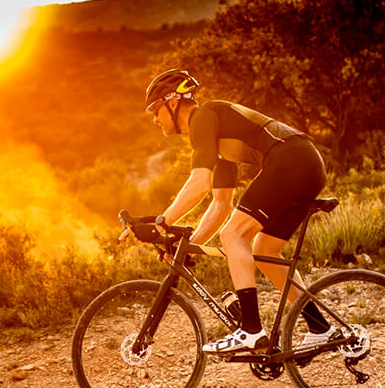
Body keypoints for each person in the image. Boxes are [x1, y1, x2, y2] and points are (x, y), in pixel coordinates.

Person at [142, 69, 331, 354]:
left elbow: (199, 183)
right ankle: (321, 328)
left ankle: (251, 330)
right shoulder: (217, 139)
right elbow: (221, 205)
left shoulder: (203, 117)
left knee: (233, 235)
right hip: (305, 164)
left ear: (172, 102)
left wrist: (163, 222)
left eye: (155, 110)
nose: (155, 119)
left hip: (291, 160)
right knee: (264, 250)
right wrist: (190, 248)